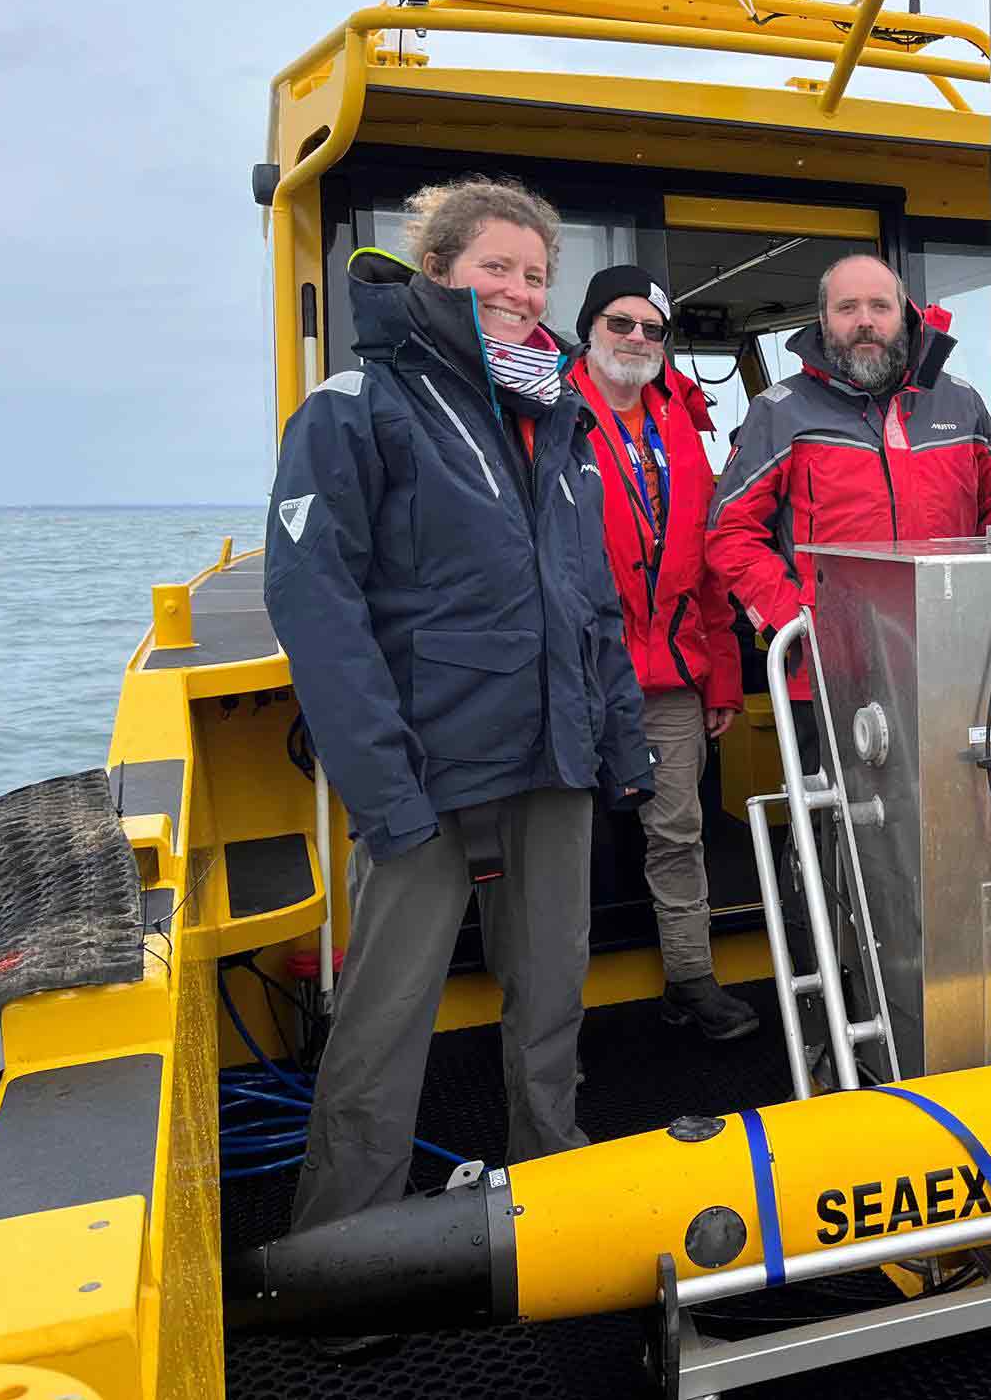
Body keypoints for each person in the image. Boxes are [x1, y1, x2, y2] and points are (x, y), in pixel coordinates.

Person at [265, 177, 652, 1238]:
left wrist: (619, 741)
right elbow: (316, 605)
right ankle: (343, 1246)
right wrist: (383, 787)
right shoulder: (355, 407)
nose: (521, 292)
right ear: (437, 270)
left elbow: (591, 601)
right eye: (498, 268)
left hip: (550, 758)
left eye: (536, 276)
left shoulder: (557, 418)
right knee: (385, 1020)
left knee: (552, 999)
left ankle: (554, 1197)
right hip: (425, 773)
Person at [707, 253, 991, 1069]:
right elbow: (729, 533)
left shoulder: (964, 406)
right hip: (830, 679)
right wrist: (793, 614)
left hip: (953, 670)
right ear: (823, 322)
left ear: (905, 314)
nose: (864, 322)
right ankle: (847, 1033)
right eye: (847, 310)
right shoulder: (781, 410)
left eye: (878, 306)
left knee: (956, 845)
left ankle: (956, 1016)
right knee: (838, 854)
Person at [568, 265, 758, 1043]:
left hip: (671, 676)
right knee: (554, 849)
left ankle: (689, 978)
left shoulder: (681, 418)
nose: (637, 340)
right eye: (621, 323)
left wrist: (720, 678)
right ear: (588, 328)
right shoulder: (542, 411)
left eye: (651, 329)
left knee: (678, 833)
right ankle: (553, 1013)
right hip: (572, 676)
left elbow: (709, 561)